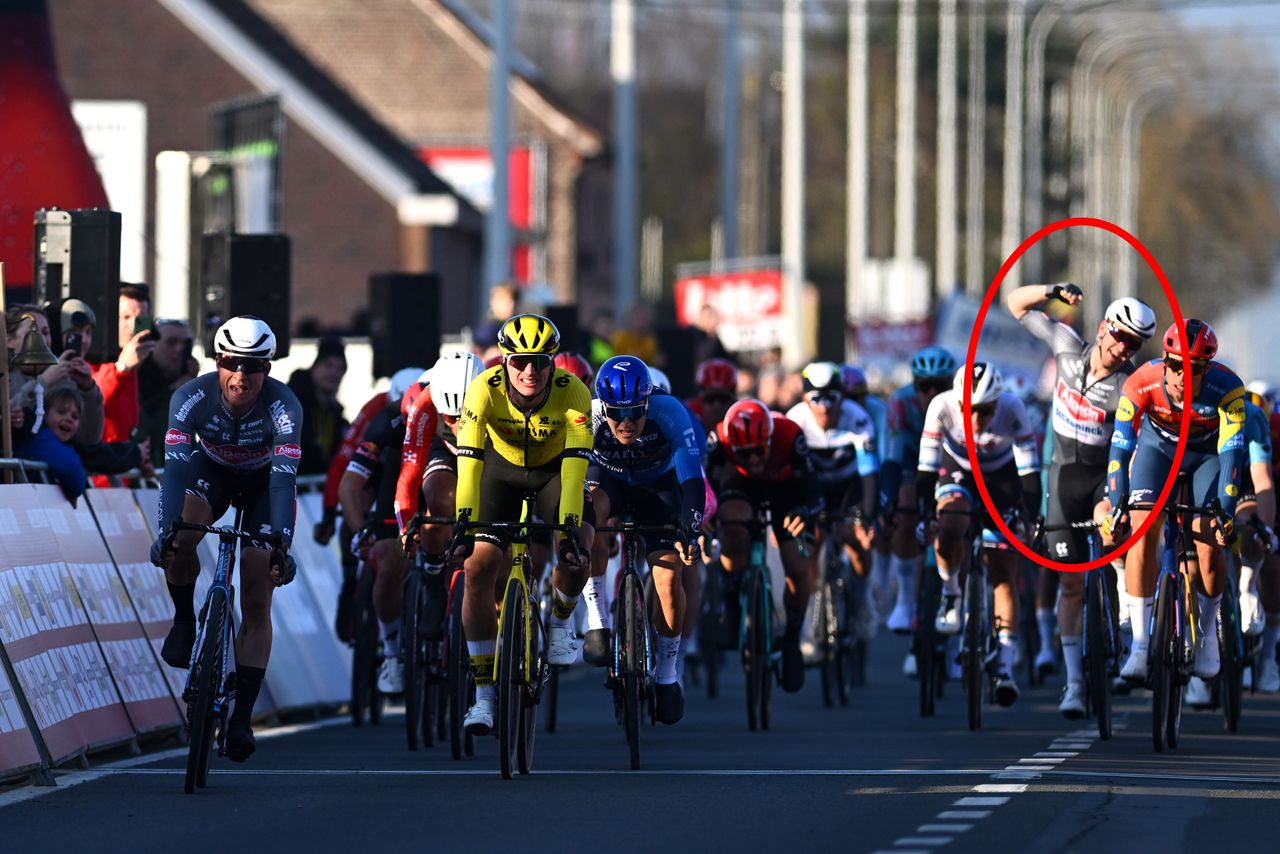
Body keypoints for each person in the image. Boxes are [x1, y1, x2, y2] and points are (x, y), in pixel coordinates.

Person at [149, 316, 302, 763]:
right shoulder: (190, 397)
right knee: (181, 540)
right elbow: (174, 470)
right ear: (217, 362)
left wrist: (282, 545)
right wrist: (165, 534)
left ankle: (241, 719)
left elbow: (283, 482)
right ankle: (184, 620)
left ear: (267, 370)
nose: (241, 376)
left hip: (262, 485)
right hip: (209, 470)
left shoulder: (284, 407)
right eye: (231, 363)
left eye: (253, 367)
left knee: (258, 593)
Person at [1005, 282, 1155, 718]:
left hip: (1101, 481)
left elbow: (1137, 449)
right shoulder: (1067, 345)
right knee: (1070, 584)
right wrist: (1052, 291)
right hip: (1062, 479)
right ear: (1105, 327)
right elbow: (1014, 304)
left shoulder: (1131, 385)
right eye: (1122, 337)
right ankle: (1073, 684)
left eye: (1135, 344)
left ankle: (1129, 628)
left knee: (1115, 540)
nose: (1125, 349)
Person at [450, 314, 595, 733]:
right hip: (500, 473)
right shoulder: (482, 390)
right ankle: (483, 697)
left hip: (555, 473)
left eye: (540, 362)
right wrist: (464, 522)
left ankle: (561, 620)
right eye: (519, 362)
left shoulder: (575, 394)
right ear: (504, 361)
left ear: (554, 363)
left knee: (578, 550)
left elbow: (573, 473)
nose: (529, 371)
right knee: (477, 567)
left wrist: (566, 532)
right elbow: (470, 466)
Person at [1105, 319, 1244, 695]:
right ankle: (1137, 644)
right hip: (1158, 452)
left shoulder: (1227, 389)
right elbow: (1120, 449)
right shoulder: (1139, 384)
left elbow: (1232, 456)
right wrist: (1117, 499)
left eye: (1195, 368)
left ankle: (1208, 636)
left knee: (1210, 542)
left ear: (1207, 367)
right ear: (1165, 361)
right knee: (1141, 530)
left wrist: (1226, 510)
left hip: (1205, 458)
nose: (1184, 375)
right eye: (1176, 365)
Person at [584, 356, 706, 724]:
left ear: (648, 401)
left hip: (660, 487)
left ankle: (668, 675)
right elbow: (568, 472)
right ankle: (597, 621)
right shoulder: (588, 416)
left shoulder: (669, 411)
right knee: (588, 520)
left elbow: (692, 479)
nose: (626, 423)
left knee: (669, 581)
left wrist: (691, 528)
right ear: (602, 406)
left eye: (636, 412)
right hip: (609, 481)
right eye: (616, 414)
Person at [919, 363, 1041, 706]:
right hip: (957, 470)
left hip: (1001, 477)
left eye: (985, 411)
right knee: (951, 523)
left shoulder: (1014, 409)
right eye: (968, 409)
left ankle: (1003, 664)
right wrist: (926, 513)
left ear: (997, 405)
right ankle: (951, 594)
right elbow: (926, 469)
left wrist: (1030, 519)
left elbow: (1030, 471)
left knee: (1003, 568)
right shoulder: (941, 406)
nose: (975, 419)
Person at [709, 398, 823, 692]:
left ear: (770, 438)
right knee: (732, 528)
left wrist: (805, 512)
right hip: (742, 485)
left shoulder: (790, 434)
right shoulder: (718, 438)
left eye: (759, 451)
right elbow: (704, 484)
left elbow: (814, 490)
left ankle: (792, 640)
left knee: (798, 568)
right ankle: (733, 604)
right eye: (745, 454)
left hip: (787, 490)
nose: (755, 461)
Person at [337, 367, 424, 693]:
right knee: (388, 559)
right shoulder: (386, 425)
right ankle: (391, 651)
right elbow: (350, 484)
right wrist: (361, 529)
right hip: (394, 481)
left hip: (439, 478)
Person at [785, 362, 879, 653]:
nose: (824, 408)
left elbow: (869, 474)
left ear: (843, 397)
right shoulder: (794, 420)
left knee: (859, 541)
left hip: (849, 486)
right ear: (804, 399)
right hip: (814, 487)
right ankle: (812, 624)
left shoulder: (858, 419)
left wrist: (867, 516)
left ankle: (862, 599)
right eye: (816, 399)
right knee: (811, 547)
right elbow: (789, 477)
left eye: (831, 399)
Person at [882, 346, 956, 658]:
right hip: (913, 460)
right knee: (905, 504)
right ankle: (905, 602)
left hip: (950, 459)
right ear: (914, 386)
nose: (931, 393)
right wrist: (889, 501)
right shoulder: (901, 403)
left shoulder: (960, 402)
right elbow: (894, 457)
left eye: (939, 387)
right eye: (923, 386)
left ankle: (956, 639)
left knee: (956, 523)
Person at [6, 304, 104, 447]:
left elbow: (89, 438)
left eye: (45, 333)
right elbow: (9, 419)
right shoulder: (5, 379)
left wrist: (88, 389)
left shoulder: (63, 379)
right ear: (9, 341)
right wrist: (43, 383)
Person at [90, 283, 157, 445]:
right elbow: (90, 401)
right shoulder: (90, 355)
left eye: (140, 319)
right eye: (126, 317)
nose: (133, 327)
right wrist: (121, 367)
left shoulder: (144, 363)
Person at [137, 319, 198, 466]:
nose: (179, 349)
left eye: (185, 344)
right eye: (171, 342)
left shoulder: (190, 386)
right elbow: (155, 435)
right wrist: (176, 394)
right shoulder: (135, 381)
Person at [13, 382, 86, 505]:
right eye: (62, 412)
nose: (69, 419)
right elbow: (71, 472)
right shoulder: (38, 434)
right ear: (44, 414)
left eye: (75, 416)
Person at [289, 332, 348, 476]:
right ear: (314, 367)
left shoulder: (335, 413)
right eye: (328, 365)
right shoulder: (292, 403)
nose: (334, 373)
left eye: (340, 368)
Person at [610, 302, 661, 366]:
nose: (641, 321)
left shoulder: (650, 341)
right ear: (629, 317)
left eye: (644, 317)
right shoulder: (619, 337)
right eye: (637, 316)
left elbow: (654, 361)